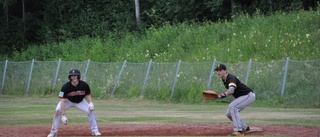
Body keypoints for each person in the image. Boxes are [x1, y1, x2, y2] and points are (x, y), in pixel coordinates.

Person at [47, 68, 101, 137]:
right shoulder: (65, 86)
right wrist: (63, 114)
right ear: (70, 77)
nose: (74, 77)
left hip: (80, 101)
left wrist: (90, 102)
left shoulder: (84, 85)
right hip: (68, 101)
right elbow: (62, 101)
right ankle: (53, 132)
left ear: (78, 76)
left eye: (75, 75)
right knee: (57, 111)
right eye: (72, 76)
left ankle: (95, 131)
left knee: (90, 111)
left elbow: (88, 94)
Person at [215, 64, 256, 136]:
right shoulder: (224, 79)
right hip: (243, 96)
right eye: (217, 70)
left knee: (232, 107)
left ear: (225, 71)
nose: (218, 72)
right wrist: (234, 101)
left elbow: (231, 90)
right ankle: (245, 128)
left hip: (248, 95)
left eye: (220, 70)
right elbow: (234, 93)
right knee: (229, 114)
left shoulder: (230, 78)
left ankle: (239, 131)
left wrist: (221, 95)